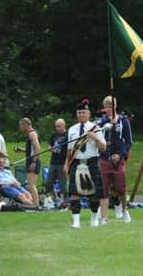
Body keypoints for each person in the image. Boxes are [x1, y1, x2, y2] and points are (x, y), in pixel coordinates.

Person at [64, 98, 107, 228]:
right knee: (74, 193)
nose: (81, 115)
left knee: (94, 194)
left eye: (83, 112)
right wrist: (66, 164)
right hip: (76, 162)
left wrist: (94, 137)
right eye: (79, 113)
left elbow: (103, 148)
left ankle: (94, 219)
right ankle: (76, 222)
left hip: (92, 161)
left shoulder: (96, 128)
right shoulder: (72, 129)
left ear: (88, 114)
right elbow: (70, 149)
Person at [98, 96, 133, 225]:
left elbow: (129, 142)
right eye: (106, 106)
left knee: (120, 188)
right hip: (104, 158)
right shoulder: (101, 122)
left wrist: (121, 154)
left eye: (110, 106)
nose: (108, 109)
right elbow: (98, 140)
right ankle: (104, 217)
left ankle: (125, 209)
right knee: (104, 188)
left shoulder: (124, 121)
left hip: (119, 159)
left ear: (115, 106)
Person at [18, 118, 41, 207]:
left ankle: (36, 205)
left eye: (21, 125)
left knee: (31, 185)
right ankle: (36, 204)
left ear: (25, 125)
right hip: (31, 160)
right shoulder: (31, 133)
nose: (20, 128)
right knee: (30, 185)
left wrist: (34, 162)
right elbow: (31, 150)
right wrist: (22, 150)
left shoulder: (32, 134)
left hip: (33, 162)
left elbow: (38, 148)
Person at [46, 119, 68, 206]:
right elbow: (49, 145)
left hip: (63, 162)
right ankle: (56, 199)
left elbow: (70, 149)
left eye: (59, 126)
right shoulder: (54, 135)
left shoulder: (68, 134)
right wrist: (50, 148)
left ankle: (63, 202)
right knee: (48, 183)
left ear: (64, 125)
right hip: (53, 162)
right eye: (56, 126)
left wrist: (67, 163)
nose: (57, 128)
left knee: (62, 184)